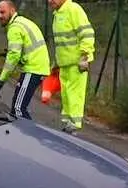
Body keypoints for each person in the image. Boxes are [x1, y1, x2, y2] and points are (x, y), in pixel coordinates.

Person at [0, 0, 50, 120]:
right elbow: (22, 49)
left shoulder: (14, 27)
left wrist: (1, 81)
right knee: (17, 107)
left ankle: (30, 131)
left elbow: (14, 56)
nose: (0, 16)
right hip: (37, 67)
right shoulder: (22, 21)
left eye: (3, 12)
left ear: (12, 10)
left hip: (33, 69)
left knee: (18, 108)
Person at [48, 0, 95, 133]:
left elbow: (87, 33)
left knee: (75, 93)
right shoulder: (57, 14)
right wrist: (57, 62)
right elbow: (60, 43)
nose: (50, 1)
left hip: (76, 63)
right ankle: (68, 122)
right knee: (66, 94)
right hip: (65, 63)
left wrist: (84, 56)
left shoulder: (73, 9)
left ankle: (74, 123)